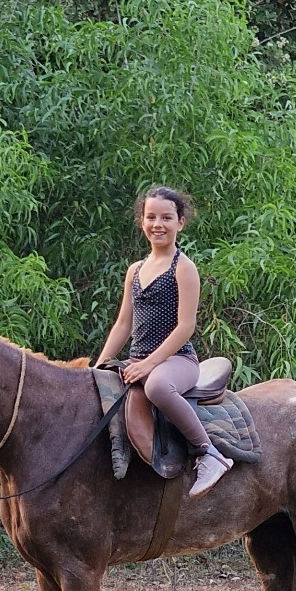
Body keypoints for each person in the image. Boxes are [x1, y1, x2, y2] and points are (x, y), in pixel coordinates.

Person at [94, 186, 233, 499]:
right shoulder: (135, 270)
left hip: (177, 360)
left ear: (180, 223)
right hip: (138, 359)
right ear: (142, 221)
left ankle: (210, 454)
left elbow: (186, 327)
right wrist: (100, 364)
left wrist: (148, 364)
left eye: (167, 217)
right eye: (151, 216)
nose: (158, 224)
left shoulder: (183, 268)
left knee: (157, 387)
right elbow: (123, 324)